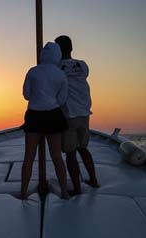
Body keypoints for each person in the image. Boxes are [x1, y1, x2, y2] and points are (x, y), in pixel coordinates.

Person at [21, 42, 69, 200]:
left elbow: (26, 95)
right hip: (53, 116)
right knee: (56, 156)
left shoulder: (32, 72)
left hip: (34, 115)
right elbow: (62, 100)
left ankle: (23, 192)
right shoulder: (60, 75)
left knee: (29, 156)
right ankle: (64, 191)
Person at [55, 35, 99, 195]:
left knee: (70, 153)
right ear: (71, 48)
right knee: (83, 148)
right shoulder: (83, 65)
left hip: (69, 115)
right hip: (84, 114)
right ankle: (94, 180)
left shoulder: (57, 68)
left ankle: (77, 189)